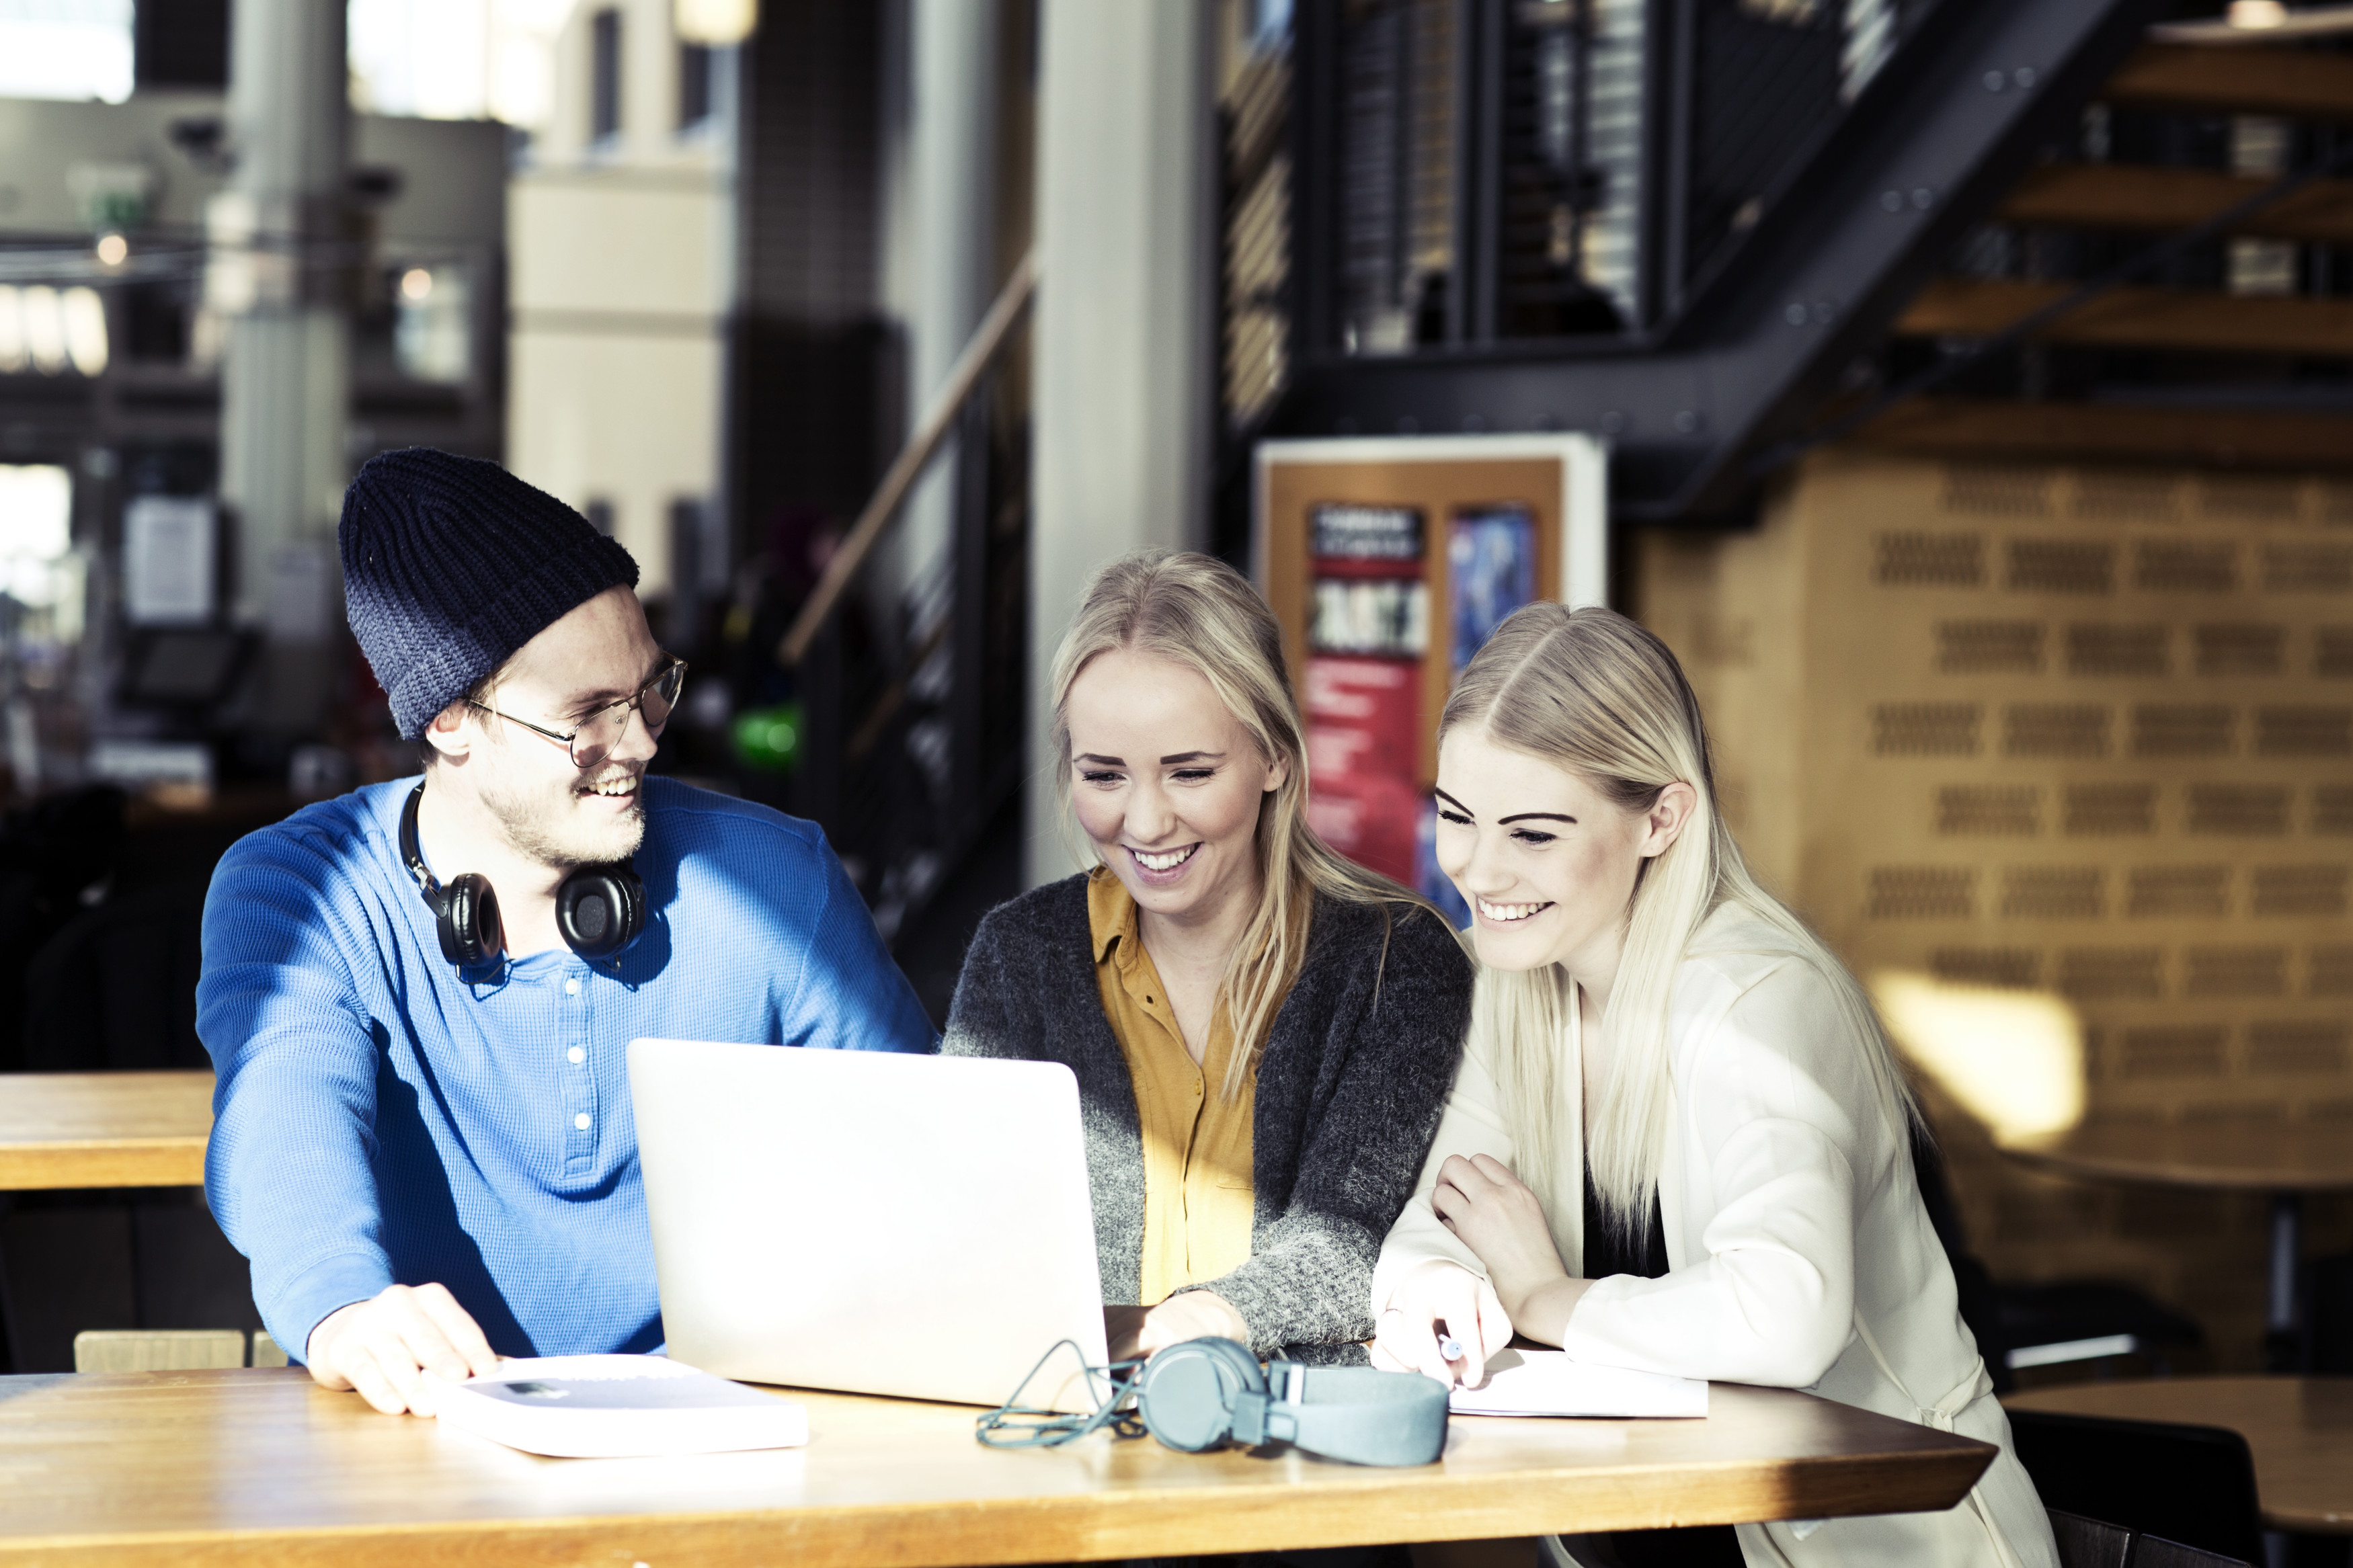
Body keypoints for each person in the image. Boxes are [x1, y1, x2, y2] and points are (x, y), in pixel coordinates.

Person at [199, 449, 934, 1417]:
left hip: (726, 1429)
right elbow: (284, 1132)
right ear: (454, 719)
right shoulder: (298, 890)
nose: (641, 742)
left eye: (649, 688)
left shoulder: (771, 877)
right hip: (429, 1428)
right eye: (589, 714)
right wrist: (343, 1306)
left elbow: (921, 1161)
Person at [1371, 604, 2055, 1568]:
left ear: (1662, 817)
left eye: (1532, 833)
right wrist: (1438, 1286)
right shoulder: (1512, 978)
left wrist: (1544, 1298)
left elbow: (1786, 1314)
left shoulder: (1756, 1000)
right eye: (1456, 816)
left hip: (1872, 1546)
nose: (1477, 871)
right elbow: (1446, 1208)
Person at [944, 549, 1472, 1363]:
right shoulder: (1021, 952)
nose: (1146, 822)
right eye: (1103, 774)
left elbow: (1346, 1245)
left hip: (1298, 1450)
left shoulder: (1396, 961)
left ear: (1274, 758)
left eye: (1189, 772)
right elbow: (964, 1225)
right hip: (1063, 1429)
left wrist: (1152, 1331)